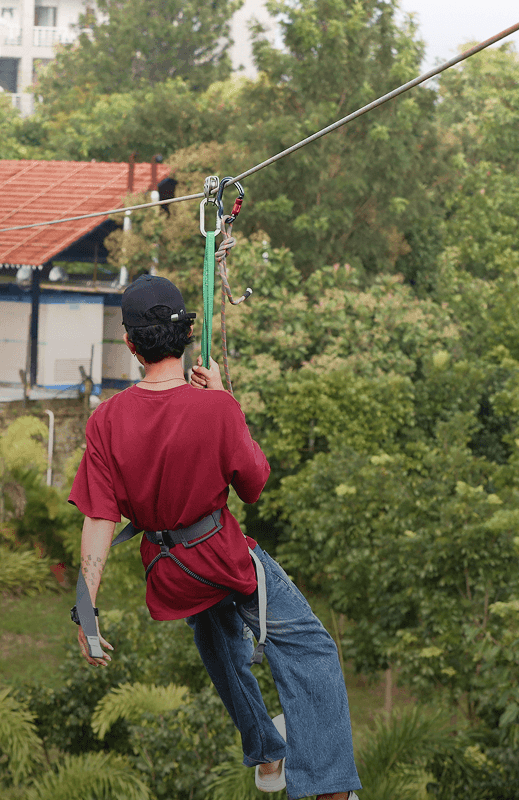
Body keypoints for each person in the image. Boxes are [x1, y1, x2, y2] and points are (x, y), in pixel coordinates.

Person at [68, 275, 362, 800]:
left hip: (170, 573)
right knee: (312, 650)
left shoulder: (106, 421)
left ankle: (267, 753)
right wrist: (227, 403)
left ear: (131, 345)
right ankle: (330, 790)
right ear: (184, 337)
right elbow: (253, 485)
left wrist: (86, 611)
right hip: (222, 558)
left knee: (219, 633)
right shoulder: (215, 407)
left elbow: (98, 520)